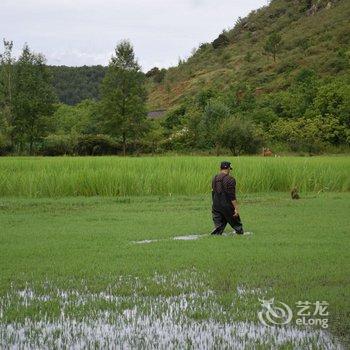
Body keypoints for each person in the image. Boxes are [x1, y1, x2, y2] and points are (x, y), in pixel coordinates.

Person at [211, 161, 244, 235]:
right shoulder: (230, 179)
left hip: (216, 205)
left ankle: (217, 231)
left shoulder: (214, 178)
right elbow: (232, 196)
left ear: (220, 168)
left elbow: (213, 192)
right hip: (226, 205)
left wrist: (214, 205)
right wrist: (236, 208)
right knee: (236, 223)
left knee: (219, 225)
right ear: (228, 168)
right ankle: (239, 233)